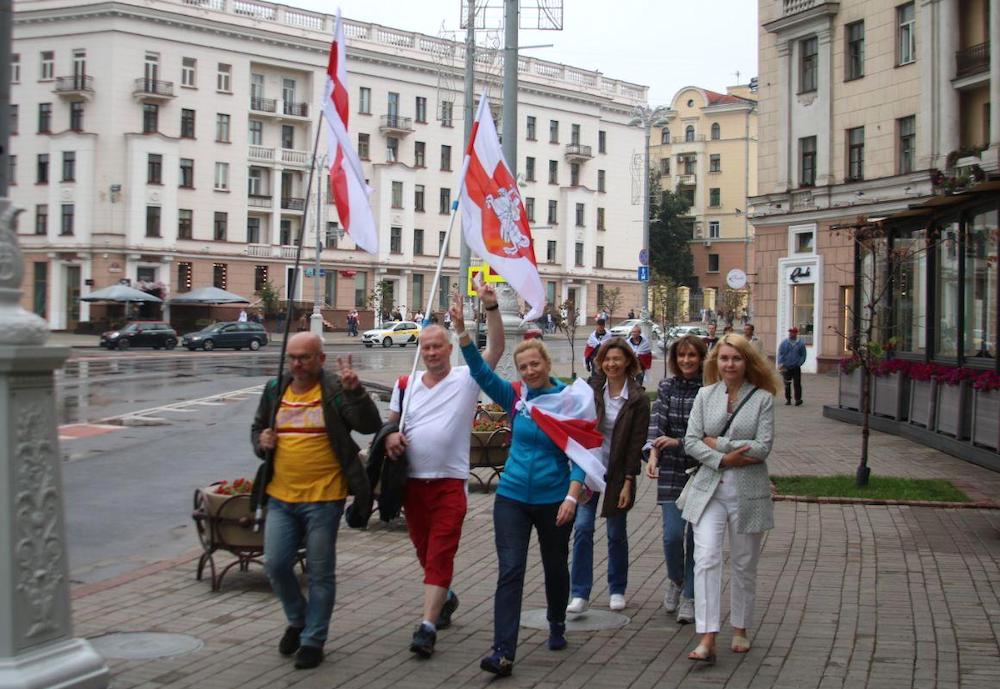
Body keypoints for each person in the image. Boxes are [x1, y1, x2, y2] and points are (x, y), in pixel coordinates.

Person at [453, 293, 595, 678]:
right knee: (511, 569)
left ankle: (556, 622)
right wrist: (465, 332)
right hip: (512, 496)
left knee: (554, 567)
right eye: (523, 367)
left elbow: (580, 453)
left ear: (547, 364)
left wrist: (572, 494)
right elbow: (481, 374)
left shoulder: (566, 400)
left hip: (554, 499)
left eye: (535, 365)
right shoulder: (516, 396)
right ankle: (503, 652)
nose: (529, 371)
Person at [383, 286, 504, 659]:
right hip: (412, 487)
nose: (432, 352)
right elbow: (388, 429)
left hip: (450, 484)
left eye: (438, 346)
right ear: (420, 350)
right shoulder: (406, 385)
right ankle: (446, 599)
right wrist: (390, 439)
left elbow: (497, 348)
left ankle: (427, 626)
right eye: (426, 347)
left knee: (440, 554)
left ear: (449, 349)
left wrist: (490, 307)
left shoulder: (467, 379)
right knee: (425, 552)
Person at [251, 334, 382, 669]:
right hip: (280, 495)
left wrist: (356, 392)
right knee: (276, 566)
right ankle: (298, 619)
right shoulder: (274, 390)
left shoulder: (335, 388)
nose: (297, 363)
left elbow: (370, 426)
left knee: (321, 572)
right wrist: (261, 440)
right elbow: (257, 430)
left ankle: (313, 639)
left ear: (320, 359)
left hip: (325, 497)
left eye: (305, 357)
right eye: (293, 357)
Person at [682, 333, 780, 664]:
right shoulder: (705, 395)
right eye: (724, 358)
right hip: (710, 489)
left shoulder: (763, 398)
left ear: (747, 362)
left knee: (743, 563)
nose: (729, 364)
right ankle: (707, 635)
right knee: (706, 557)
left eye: (736, 358)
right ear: (716, 362)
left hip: (748, 492)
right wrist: (726, 456)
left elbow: (763, 446)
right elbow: (692, 441)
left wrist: (717, 443)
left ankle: (740, 627)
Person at [566, 338, 649, 615]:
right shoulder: (591, 390)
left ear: (627, 361)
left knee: (616, 532)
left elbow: (636, 444)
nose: (611, 364)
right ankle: (579, 592)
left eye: (617, 359)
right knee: (583, 528)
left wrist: (628, 480)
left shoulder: (637, 398)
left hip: (617, 473)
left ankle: (617, 589)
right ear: (600, 362)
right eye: (607, 359)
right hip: (590, 469)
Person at [644, 335, 708, 625]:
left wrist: (678, 442)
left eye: (692, 355)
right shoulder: (666, 387)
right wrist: (654, 453)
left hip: (701, 470)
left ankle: (691, 597)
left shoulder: (710, 390)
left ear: (701, 358)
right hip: (670, 469)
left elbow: (708, 434)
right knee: (672, 536)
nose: (686, 361)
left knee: (695, 538)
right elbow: (657, 422)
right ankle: (676, 579)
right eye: (681, 355)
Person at [777, 327, 807, 406]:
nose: (791, 334)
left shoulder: (800, 344)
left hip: (796, 366)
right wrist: (781, 364)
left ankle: (798, 399)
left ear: (796, 333)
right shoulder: (784, 343)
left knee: (797, 383)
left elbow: (803, 355)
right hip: (786, 366)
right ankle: (788, 399)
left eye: (793, 332)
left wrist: (800, 363)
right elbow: (781, 354)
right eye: (790, 332)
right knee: (787, 383)